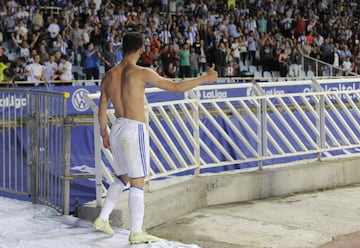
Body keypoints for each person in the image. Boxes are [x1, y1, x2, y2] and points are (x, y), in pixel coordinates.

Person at [93, 32, 218, 244]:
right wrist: (205, 78)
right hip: (134, 129)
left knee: (123, 175)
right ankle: (136, 232)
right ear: (141, 50)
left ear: (122, 48)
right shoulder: (141, 72)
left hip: (117, 129)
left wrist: (104, 132)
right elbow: (176, 88)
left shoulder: (109, 75)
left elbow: (103, 106)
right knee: (137, 181)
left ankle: (103, 218)